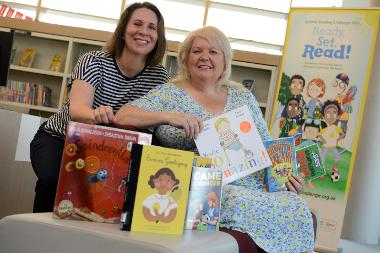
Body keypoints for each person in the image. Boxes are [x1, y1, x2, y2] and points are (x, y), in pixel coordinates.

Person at [115, 26, 314, 252]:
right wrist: (171, 117)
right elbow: (122, 116)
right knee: (236, 200)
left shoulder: (243, 96)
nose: (204, 57)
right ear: (185, 57)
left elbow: (268, 145)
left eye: (213, 52)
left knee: (295, 203)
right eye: (197, 51)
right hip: (204, 185)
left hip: (252, 181)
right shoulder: (169, 94)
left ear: (224, 60)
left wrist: (286, 177)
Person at [30, 2, 170, 213]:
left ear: (158, 37)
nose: (144, 32)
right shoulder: (93, 61)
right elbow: (77, 110)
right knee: (52, 182)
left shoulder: (160, 77)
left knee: (113, 198)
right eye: (137, 24)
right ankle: (36, 239)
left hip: (113, 150)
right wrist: (97, 114)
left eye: (152, 27)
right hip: (60, 138)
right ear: (123, 31)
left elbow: (152, 125)